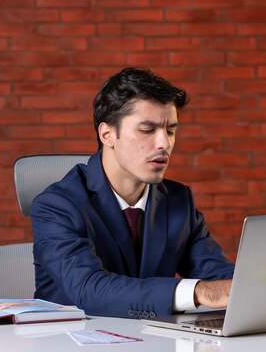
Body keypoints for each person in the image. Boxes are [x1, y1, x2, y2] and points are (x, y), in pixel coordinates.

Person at [30, 67, 234, 319]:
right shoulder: (56, 205)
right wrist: (198, 292)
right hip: (73, 341)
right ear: (107, 134)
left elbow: (219, 276)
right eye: (147, 130)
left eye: (170, 130)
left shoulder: (179, 200)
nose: (164, 143)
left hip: (156, 341)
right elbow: (88, 288)